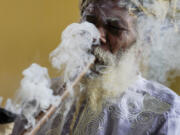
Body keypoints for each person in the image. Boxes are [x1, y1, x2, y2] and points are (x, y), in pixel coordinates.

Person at [12, 0, 180, 135]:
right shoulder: (42, 96)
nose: (95, 36)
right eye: (89, 22)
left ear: (145, 39)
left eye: (114, 28)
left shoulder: (165, 112)